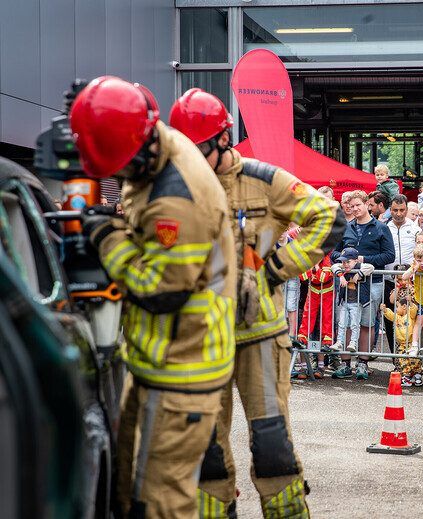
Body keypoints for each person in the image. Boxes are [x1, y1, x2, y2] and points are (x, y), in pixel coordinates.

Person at [169, 87, 345, 517]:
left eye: (197, 150)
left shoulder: (265, 180)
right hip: (201, 339)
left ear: (224, 141)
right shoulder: (178, 185)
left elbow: (330, 218)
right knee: (206, 447)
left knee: (271, 443)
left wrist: (272, 270)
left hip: (260, 337)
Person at [72, 77, 237, 517]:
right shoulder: (151, 152)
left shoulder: (177, 199)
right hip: (159, 360)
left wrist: (107, 236)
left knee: (162, 502)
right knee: (130, 490)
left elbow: (157, 292)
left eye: (122, 166)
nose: (121, 176)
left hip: (184, 368)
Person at [331, 191, 395, 380]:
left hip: (372, 282)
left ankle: (363, 363)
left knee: (367, 323)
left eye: (359, 205)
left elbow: (389, 256)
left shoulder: (381, 228)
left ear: (367, 204)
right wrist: (345, 260)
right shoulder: (345, 228)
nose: (355, 209)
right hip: (347, 283)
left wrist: (361, 259)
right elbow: (333, 254)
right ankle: (345, 363)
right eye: (352, 206)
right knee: (347, 322)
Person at [384, 194, 420, 351]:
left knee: (410, 318)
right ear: (390, 210)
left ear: (406, 210)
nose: (398, 213)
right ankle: (395, 357)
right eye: (395, 210)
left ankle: (410, 356)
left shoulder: (415, 229)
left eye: (402, 210)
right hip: (389, 280)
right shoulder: (384, 227)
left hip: (410, 281)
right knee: (391, 319)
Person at [331, 247, 374, 354]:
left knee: (355, 323)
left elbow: (370, 267)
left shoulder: (360, 266)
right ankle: (339, 342)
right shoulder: (342, 267)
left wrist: (359, 274)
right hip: (345, 301)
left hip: (356, 302)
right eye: (343, 262)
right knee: (341, 323)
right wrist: (340, 276)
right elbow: (334, 266)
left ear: (356, 260)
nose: (345, 264)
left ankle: (353, 342)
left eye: (348, 262)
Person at [381, 299, 422, 387]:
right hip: (402, 344)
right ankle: (406, 376)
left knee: (415, 361)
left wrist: (410, 302)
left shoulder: (410, 316)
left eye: (397, 306)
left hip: (411, 343)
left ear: (404, 307)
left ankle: (417, 376)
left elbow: (413, 309)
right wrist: (385, 310)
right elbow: (390, 315)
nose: (396, 309)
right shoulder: (397, 317)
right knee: (403, 360)